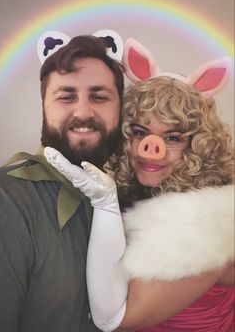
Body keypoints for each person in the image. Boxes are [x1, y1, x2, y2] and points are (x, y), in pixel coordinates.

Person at [45, 74, 234, 332]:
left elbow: (116, 320)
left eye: (173, 138)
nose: (151, 148)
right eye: (140, 133)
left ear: (198, 147)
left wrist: (105, 204)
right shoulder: (138, 194)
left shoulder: (209, 222)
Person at [0, 34, 124, 332]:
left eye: (99, 96)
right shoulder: (6, 201)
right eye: (66, 97)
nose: (83, 112)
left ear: (120, 108)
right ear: (44, 107)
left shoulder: (128, 199)